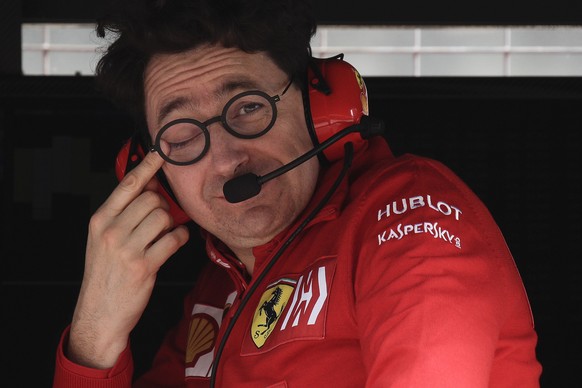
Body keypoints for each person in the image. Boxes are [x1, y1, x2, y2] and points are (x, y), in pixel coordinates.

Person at [52, 0, 542, 386]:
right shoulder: (218, 288)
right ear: (151, 172)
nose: (225, 160)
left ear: (322, 109)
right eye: (181, 136)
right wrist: (94, 335)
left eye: (247, 108)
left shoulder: (408, 216)